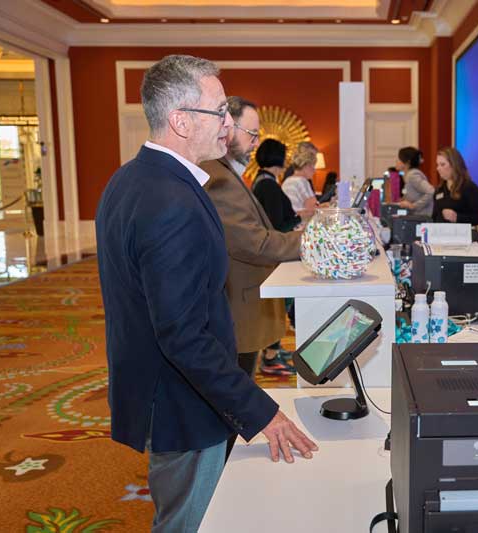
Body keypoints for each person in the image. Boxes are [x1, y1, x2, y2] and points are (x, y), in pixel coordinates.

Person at [95, 55, 317, 532]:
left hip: (162, 391)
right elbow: (182, 336)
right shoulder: (171, 200)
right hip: (182, 403)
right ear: (179, 120)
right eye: (218, 112)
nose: (228, 126)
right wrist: (261, 412)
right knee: (188, 522)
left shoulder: (131, 179)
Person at [201, 95, 301, 460]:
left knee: (241, 386)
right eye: (252, 133)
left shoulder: (227, 172)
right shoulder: (218, 176)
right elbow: (255, 243)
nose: (257, 142)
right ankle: (222, 475)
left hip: (242, 299)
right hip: (236, 306)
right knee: (234, 395)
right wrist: (315, 241)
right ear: (227, 127)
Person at [252, 139, 300, 233]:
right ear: (278, 158)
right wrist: (300, 218)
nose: (286, 162)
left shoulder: (261, 179)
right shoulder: (269, 185)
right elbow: (278, 228)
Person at [433, 147, 478, 225]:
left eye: (442, 165)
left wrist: (457, 217)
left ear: (454, 165)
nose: (438, 168)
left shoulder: (469, 188)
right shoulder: (439, 189)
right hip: (440, 235)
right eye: (437, 165)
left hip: (461, 235)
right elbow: (434, 217)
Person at [395, 146, 434, 217]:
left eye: (399, 159)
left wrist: (413, 206)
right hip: (416, 217)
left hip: (421, 218)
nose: (396, 161)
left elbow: (431, 191)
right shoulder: (409, 175)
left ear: (407, 162)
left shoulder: (413, 175)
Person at [282, 145, 319, 218]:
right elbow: (313, 208)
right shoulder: (302, 181)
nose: (314, 170)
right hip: (300, 224)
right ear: (306, 166)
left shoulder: (288, 180)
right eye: (313, 166)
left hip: (291, 222)